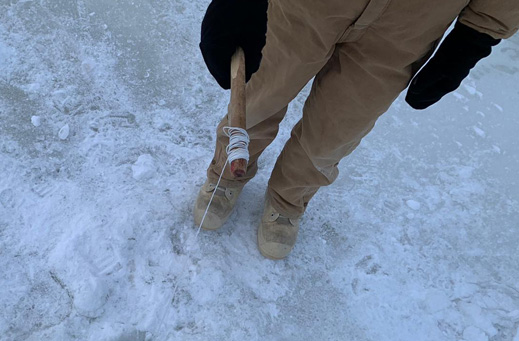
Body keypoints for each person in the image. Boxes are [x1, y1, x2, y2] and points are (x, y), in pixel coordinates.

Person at [196, 0, 519, 259]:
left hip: (408, 28)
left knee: (337, 129)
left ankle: (288, 200)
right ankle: (228, 168)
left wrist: (478, 34)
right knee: (262, 93)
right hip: (305, 9)